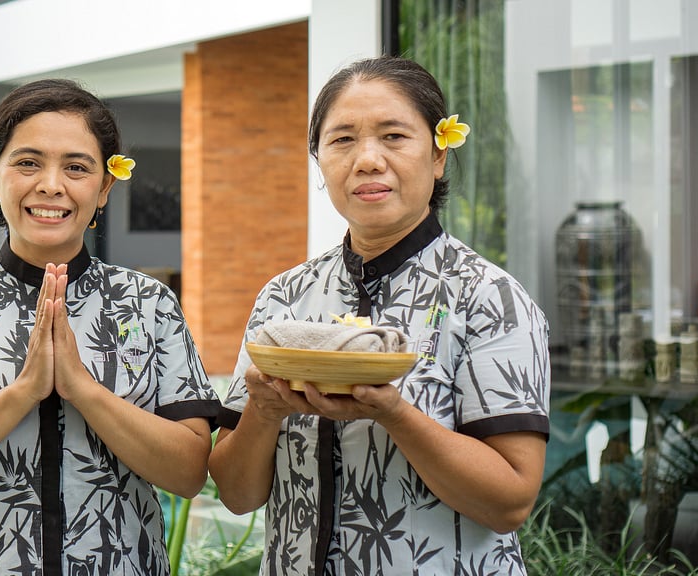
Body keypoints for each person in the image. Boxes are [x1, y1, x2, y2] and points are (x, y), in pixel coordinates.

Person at [0, 78, 220, 575]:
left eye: (77, 167)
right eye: (28, 163)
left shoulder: (149, 305)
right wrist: (22, 391)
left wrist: (82, 388)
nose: (51, 185)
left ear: (105, 187)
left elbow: (190, 472)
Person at [208, 56, 550, 575]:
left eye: (394, 136)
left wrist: (393, 412)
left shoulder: (489, 298)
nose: (367, 160)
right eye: (342, 140)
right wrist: (264, 409)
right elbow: (237, 495)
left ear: (438, 155)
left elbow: (510, 503)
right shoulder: (284, 297)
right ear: (319, 159)